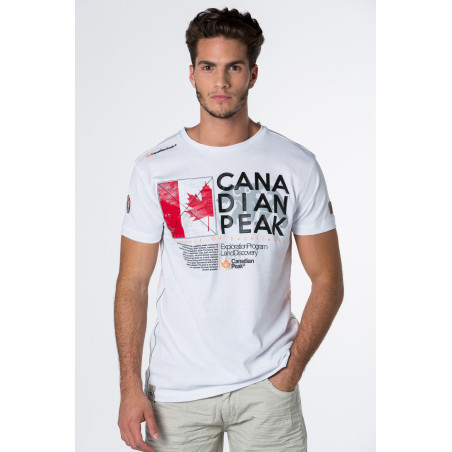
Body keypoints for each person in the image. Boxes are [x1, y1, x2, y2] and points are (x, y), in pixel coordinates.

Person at [114, 7, 344, 452]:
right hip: (176, 394)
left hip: (267, 390)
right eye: (208, 67)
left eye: (233, 67)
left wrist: (289, 373)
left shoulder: (295, 165)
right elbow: (133, 282)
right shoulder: (155, 168)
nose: (220, 82)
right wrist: (129, 387)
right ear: (192, 74)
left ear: (252, 74)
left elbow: (328, 279)